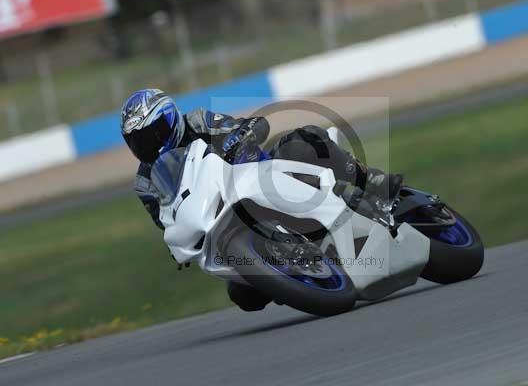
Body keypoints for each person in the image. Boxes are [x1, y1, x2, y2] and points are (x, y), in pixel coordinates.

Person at [120, 89, 403, 311]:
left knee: (302, 141)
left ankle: (371, 182)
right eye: (138, 142)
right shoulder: (146, 182)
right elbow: (164, 218)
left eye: (153, 133)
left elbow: (256, 125)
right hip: (223, 212)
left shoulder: (198, 122)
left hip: (262, 175)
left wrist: (240, 136)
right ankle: (295, 275)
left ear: (171, 119)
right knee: (243, 296)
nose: (149, 145)